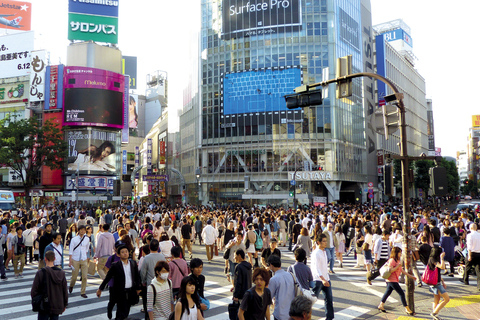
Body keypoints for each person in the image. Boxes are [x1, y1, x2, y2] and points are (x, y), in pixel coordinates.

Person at [97, 244, 141, 320]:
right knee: (120, 312)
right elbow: (108, 277)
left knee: (126, 310)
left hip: (130, 291)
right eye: (122, 252)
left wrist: (138, 288)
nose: (125, 253)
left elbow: (137, 276)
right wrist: (100, 289)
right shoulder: (115, 265)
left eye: (126, 251)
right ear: (118, 254)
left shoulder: (133, 263)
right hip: (120, 292)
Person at [377, 247, 416, 315]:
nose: (400, 254)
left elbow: (401, 270)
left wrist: (410, 276)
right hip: (392, 280)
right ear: (396, 253)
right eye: (399, 252)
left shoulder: (398, 260)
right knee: (401, 293)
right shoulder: (392, 260)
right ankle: (407, 308)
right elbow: (390, 270)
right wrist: (397, 266)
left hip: (394, 279)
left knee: (388, 293)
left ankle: (381, 305)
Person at [31, 251, 68, 320]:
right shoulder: (61, 273)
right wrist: (65, 304)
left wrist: (37, 301)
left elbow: (34, 291)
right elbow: (65, 290)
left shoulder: (40, 273)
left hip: (44, 305)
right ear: (54, 258)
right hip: (56, 305)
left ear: (45, 259)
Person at [141, 239, 167, 320]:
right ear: (158, 247)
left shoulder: (146, 258)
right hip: (161, 283)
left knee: (149, 305)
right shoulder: (162, 256)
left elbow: (143, 272)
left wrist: (143, 281)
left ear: (149, 247)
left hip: (150, 284)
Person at [311, 233, 334, 320]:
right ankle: (304, 316)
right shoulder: (316, 253)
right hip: (318, 280)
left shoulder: (324, 251)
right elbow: (315, 268)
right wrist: (323, 279)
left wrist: (326, 277)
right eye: (323, 241)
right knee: (312, 300)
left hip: (326, 278)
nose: (325, 243)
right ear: (318, 242)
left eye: (326, 241)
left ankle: (329, 318)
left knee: (329, 299)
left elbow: (324, 266)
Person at [268, 254, 296, 320]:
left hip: (279, 314)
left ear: (271, 265)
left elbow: (268, 298)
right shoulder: (290, 275)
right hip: (292, 313)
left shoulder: (274, 279)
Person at [428, 247, 450, 320]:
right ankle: (434, 313)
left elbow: (437, 273)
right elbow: (442, 267)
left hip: (436, 282)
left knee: (436, 300)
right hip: (435, 284)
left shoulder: (432, 259)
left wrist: (442, 281)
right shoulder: (433, 259)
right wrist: (442, 258)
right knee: (447, 299)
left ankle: (435, 316)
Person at [68, 225, 90, 298]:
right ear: (78, 230)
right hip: (75, 259)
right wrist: (70, 261)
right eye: (81, 230)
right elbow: (70, 251)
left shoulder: (87, 239)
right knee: (74, 276)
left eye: (84, 230)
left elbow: (87, 248)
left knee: (84, 276)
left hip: (83, 259)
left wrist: (86, 257)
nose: (82, 231)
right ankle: (71, 285)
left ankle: (83, 292)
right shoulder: (74, 239)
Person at [462, 222, 480, 290]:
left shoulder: (469, 235)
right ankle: (479, 285)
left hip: (472, 253)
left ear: (471, 228)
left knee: (467, 267)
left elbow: (469, 246)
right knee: (478, 270)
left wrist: (469, 255)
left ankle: (466, 280)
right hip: (479, 253)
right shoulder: (479, 235)